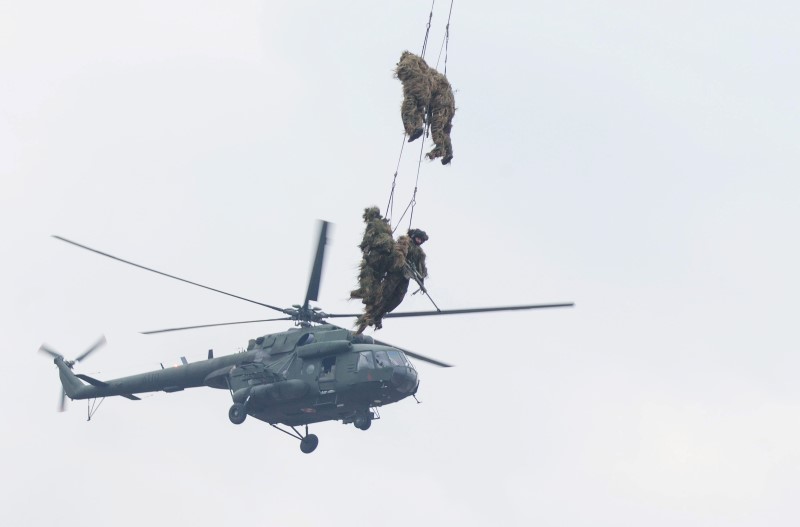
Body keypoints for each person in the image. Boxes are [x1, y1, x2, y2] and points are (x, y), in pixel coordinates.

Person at [355, 228, 429, 334]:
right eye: (418, 238)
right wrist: (402, 260)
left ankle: (380, 314)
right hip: (395, 273)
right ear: (414, 236)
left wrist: (421, 280)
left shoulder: (419, 253)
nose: (419, 241)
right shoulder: (405, 241)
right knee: (385, 295)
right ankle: (372, 315)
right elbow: (398, 252)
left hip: (405, 277)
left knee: (398, 298)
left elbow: (420, 268)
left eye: (421, 240)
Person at [395, 51, 455, 165]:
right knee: (443, 127)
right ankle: (446, 151)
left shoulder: (412, 65)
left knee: (410, 107)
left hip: (439, 96)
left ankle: (414, 129)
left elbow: (420, 93)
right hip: (447, 99)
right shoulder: (432, 74)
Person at [350, 207, 395, 306]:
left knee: (367, 272)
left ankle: (366, 294)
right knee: (378, 277)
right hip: (387, 255)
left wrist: (365, 249)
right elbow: (391, 239)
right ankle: (374, 297)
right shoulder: (386, 225)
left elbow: (367, 238)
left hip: (377, 253)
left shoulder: (372, 224)